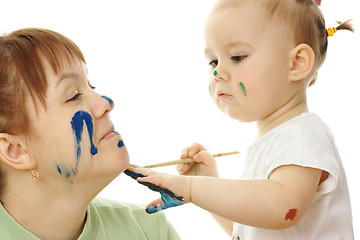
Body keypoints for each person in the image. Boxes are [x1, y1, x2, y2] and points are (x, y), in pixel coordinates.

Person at [126, 0, 354, 239]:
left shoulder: (304, 134)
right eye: (213, 61)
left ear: (297, 63)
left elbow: (283, 209)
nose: (217, 73)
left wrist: (195, 189)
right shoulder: (272, 141)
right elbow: (248, 231)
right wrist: (208, 183)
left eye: (236, 57)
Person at [0, 28, 180, 240]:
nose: (106, 102)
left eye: (91, 85)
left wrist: (214, 197)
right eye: (74, 96)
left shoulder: (149, 230)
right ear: (16, 150)